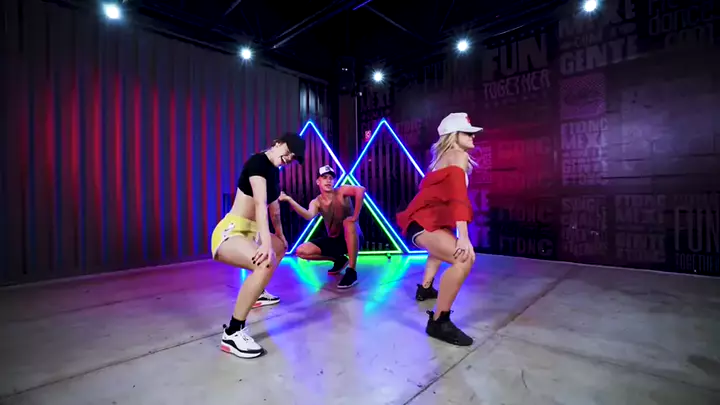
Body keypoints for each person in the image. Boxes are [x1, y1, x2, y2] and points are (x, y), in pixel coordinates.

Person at [210, 132, 305, 359]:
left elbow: (274, 209)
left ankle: (258, 292)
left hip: (250, 234)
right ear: (277, 143)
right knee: (265, 261)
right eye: (288, 152)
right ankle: (233, 332)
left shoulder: (273, 172)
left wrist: (279, 236)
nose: (289, 158)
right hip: (231, 232)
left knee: (279, 248)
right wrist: (265, 245)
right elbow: (260, 204)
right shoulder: (258, 162)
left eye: (293, 157)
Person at [396, 112, 481, 346]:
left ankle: (425, 289)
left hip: (423, 222)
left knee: (439, 252)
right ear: (453, 135)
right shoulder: (458, 155)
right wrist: (463, 236)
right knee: (464, 258)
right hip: (422, 223)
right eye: (467, 132)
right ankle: (439, 321)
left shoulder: (443, 157)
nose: (473, 136)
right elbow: (458, 196)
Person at [280, 165, 365, 289]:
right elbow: (308, 215)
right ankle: (339, 259)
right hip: (335, 241)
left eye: (331, 178)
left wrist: (355, 216)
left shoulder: (342, 191)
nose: (328, 180)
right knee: (301, 251)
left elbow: (360, 190)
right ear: (318, 181)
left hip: (354, 237)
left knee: (348, 223)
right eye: (324, 177)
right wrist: (289, 200)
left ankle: (352, 271)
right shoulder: (317, 202)